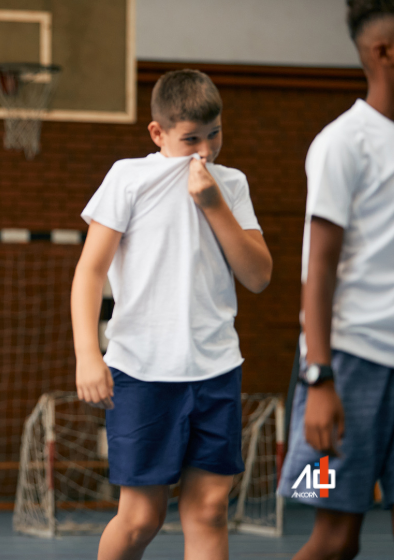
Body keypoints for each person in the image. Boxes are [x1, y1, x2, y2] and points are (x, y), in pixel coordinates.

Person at [71, 69, 272, 560]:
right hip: (141, 369)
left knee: (208, 512)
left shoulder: (232, 184)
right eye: (191, 140)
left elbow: (259, 275)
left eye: (214, 134)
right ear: (158, 134)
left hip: (215, 368)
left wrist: (213, 204)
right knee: (142, 517)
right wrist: (87, 356)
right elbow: (90, 272)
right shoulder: (128, 177)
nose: (205, 150)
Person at [276, 2, 394, 559]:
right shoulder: (342, 142)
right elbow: (318, 267)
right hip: (346, 372)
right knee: (335, 538)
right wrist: (319, 378)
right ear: (384, 53)